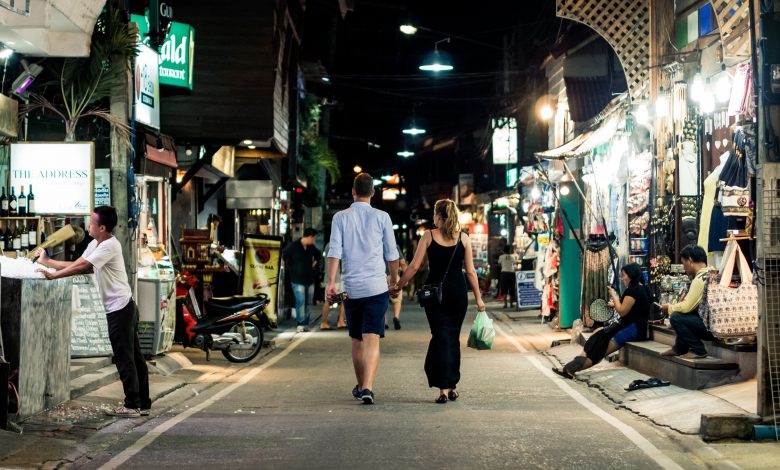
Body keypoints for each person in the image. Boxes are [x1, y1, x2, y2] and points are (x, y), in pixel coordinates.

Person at [36, 206, 150, 418]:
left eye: (92, 223)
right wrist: (48, 262)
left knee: (125, 357)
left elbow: (82, 267)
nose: (88, 226)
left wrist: (52, 276)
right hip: (124, 306)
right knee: (134, 356)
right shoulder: (95, 244)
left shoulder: (109, 246)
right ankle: (142, 403)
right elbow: (78, 263)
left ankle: (133, 404)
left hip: (120, 309)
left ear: (102, 227)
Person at [393, 199, 486, 403]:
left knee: (441, 336)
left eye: (434, 214)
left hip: (435, 294)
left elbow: (414, 267)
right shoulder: (464, 238)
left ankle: (444, 388)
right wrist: (478, 298)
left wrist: (399, 285)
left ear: (438, 216)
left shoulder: (428, 236)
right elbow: (470, 271)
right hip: (458, 294)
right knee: (451, 338)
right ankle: (451, 385)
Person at [327, 173, 400, 405]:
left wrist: (331, 283)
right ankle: (367, 386)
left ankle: (361, 386)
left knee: (357, 339)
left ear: (353, 191)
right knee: (372, 339)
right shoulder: (383, 217)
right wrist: (395, 280)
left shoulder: (340, 217)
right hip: (377, 287)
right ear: (373, 192)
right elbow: (392, 253)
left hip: (352, 288)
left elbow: (334, 252)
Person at [552, 263, 651, 378]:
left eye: (624, 275)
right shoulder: (642, 288)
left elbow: (622, 311)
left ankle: (569, 369)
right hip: (630, 326)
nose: (622, 278)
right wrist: (615, 304)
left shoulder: (633, 291)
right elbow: (634, 308)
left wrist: (613, 295)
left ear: (631, 276)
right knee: (597, 335)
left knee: (600, 350)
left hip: (632, 329)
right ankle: (572, 365)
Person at [660, 245, 713, 359]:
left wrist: (669, 308)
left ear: (690, 260)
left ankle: (698, 350)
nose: (684, 268)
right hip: (713, 324)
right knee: (681, 316)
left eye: (684, 263)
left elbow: (686, 307)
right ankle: (679, 348)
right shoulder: (711, 272)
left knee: (676, 317)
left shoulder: (699, 280)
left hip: (710, 328)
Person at [282, 228, 321, 332]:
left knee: (308, 302)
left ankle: (306, 323)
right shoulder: (293, 246)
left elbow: (318, 254)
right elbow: (284, 255)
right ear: (309, 237)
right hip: (297, 279)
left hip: (310, 279)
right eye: (314, 239)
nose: (314, 241)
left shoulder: (311, 247)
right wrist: (290, 266)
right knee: (300, 301)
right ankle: (301, 323)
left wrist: (315, 262)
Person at [320, 242, 346, 330]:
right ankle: (338, 321)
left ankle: (332, 321)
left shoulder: (329, 245)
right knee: (339, 299)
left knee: (333, 299)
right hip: (335, 278)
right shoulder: (334, 245)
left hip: (333, 277)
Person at [387, 244, 407, 330]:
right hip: (393, 275)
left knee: (382, 299)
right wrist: (406, 278)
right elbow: (402, 263)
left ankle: (384, 322)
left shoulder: (375, 243)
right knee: (397, 299)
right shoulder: (394, 246)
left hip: (380, 276)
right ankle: (396, 317)